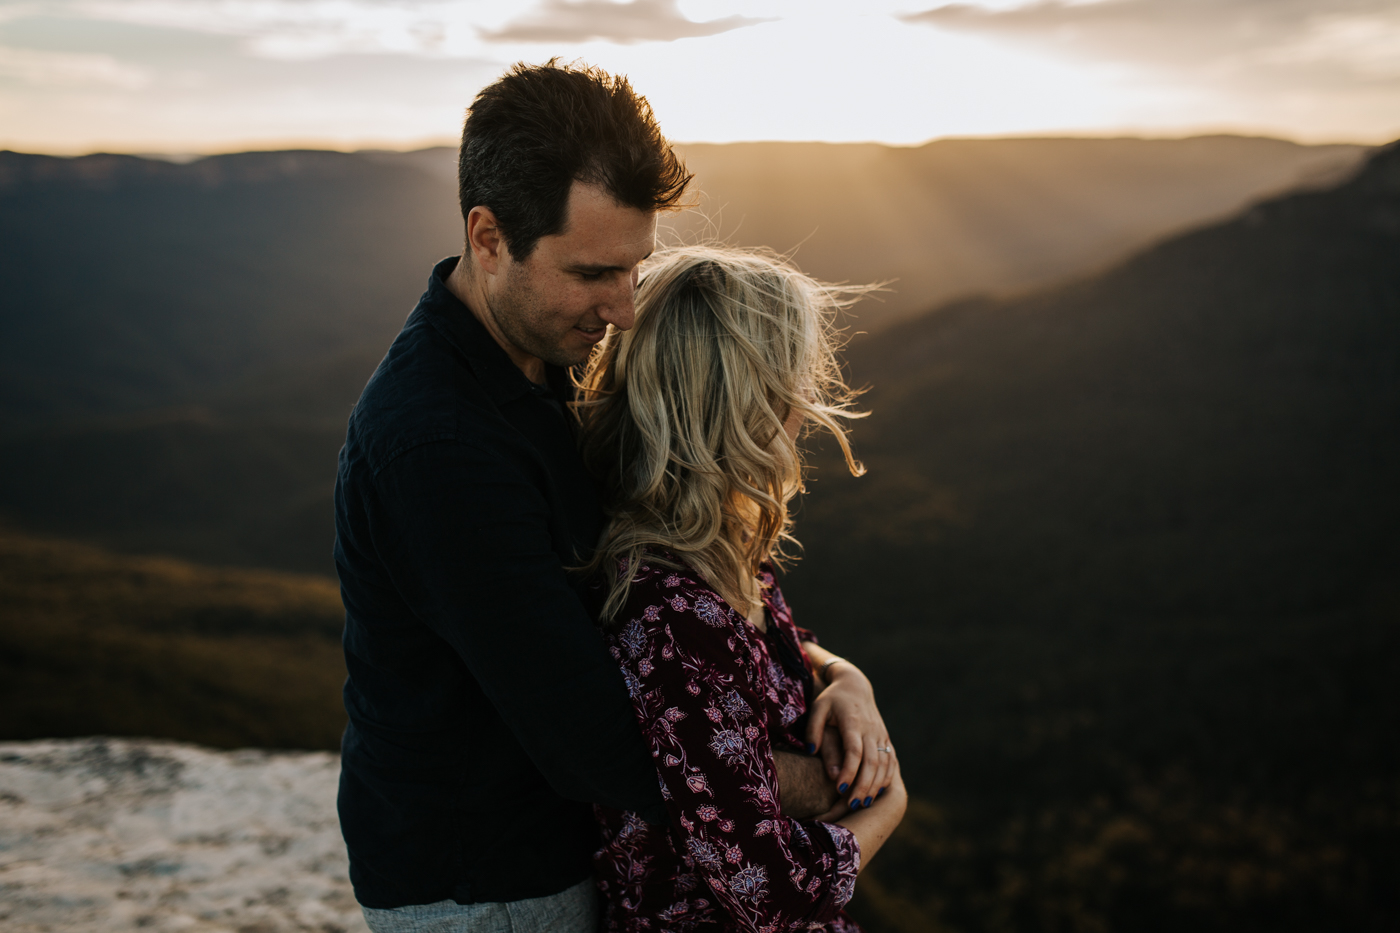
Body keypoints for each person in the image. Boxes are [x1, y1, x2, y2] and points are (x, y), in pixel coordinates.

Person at [334, 60, 894, 932]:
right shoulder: (440, 449)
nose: (625, 309)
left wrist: (838, 674)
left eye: (636, 267)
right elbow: (601, 742)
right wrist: (833, 779)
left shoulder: (541, 356)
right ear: (488, 239)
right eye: (594, 272)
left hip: (554, 861)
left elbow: (682, 594)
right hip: (492, 887)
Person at [575, 247, 907, 932]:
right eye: (794, 383)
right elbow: (770, 892)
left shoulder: (714, 554)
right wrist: (888, 805)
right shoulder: (674, 612)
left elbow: (768, 656)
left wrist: (846, 675)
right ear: (748, 404)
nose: (806, 409)